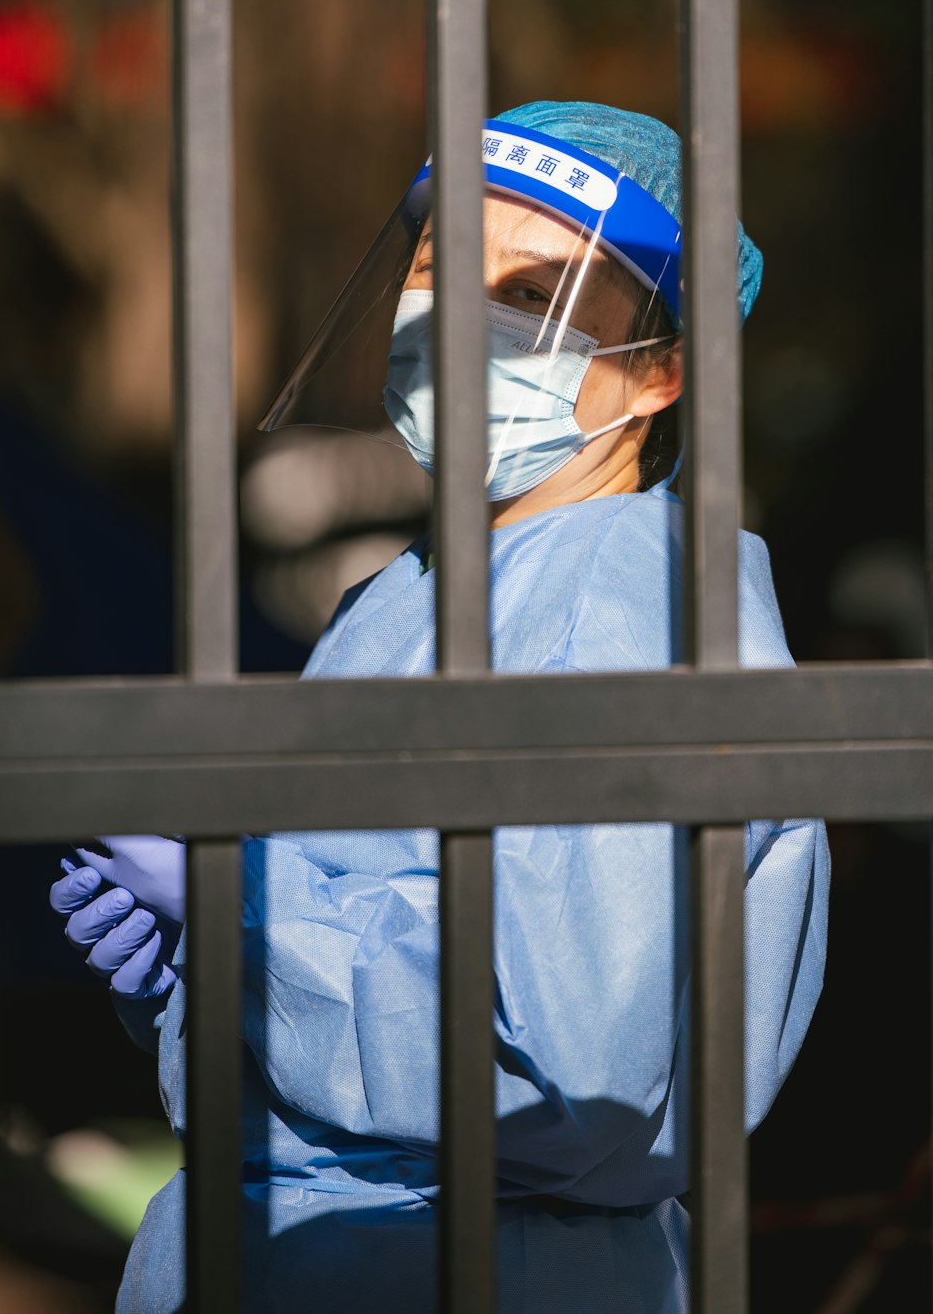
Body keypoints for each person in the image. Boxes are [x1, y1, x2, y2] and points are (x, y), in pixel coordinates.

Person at [51, 101, 829, 1313]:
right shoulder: (411, 597)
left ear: (664, 370)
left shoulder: (625, 604)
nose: (460, 320)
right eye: (433, 272)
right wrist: (199, 977)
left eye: (530, 295)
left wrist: (251, 912)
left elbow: (567, 1081)